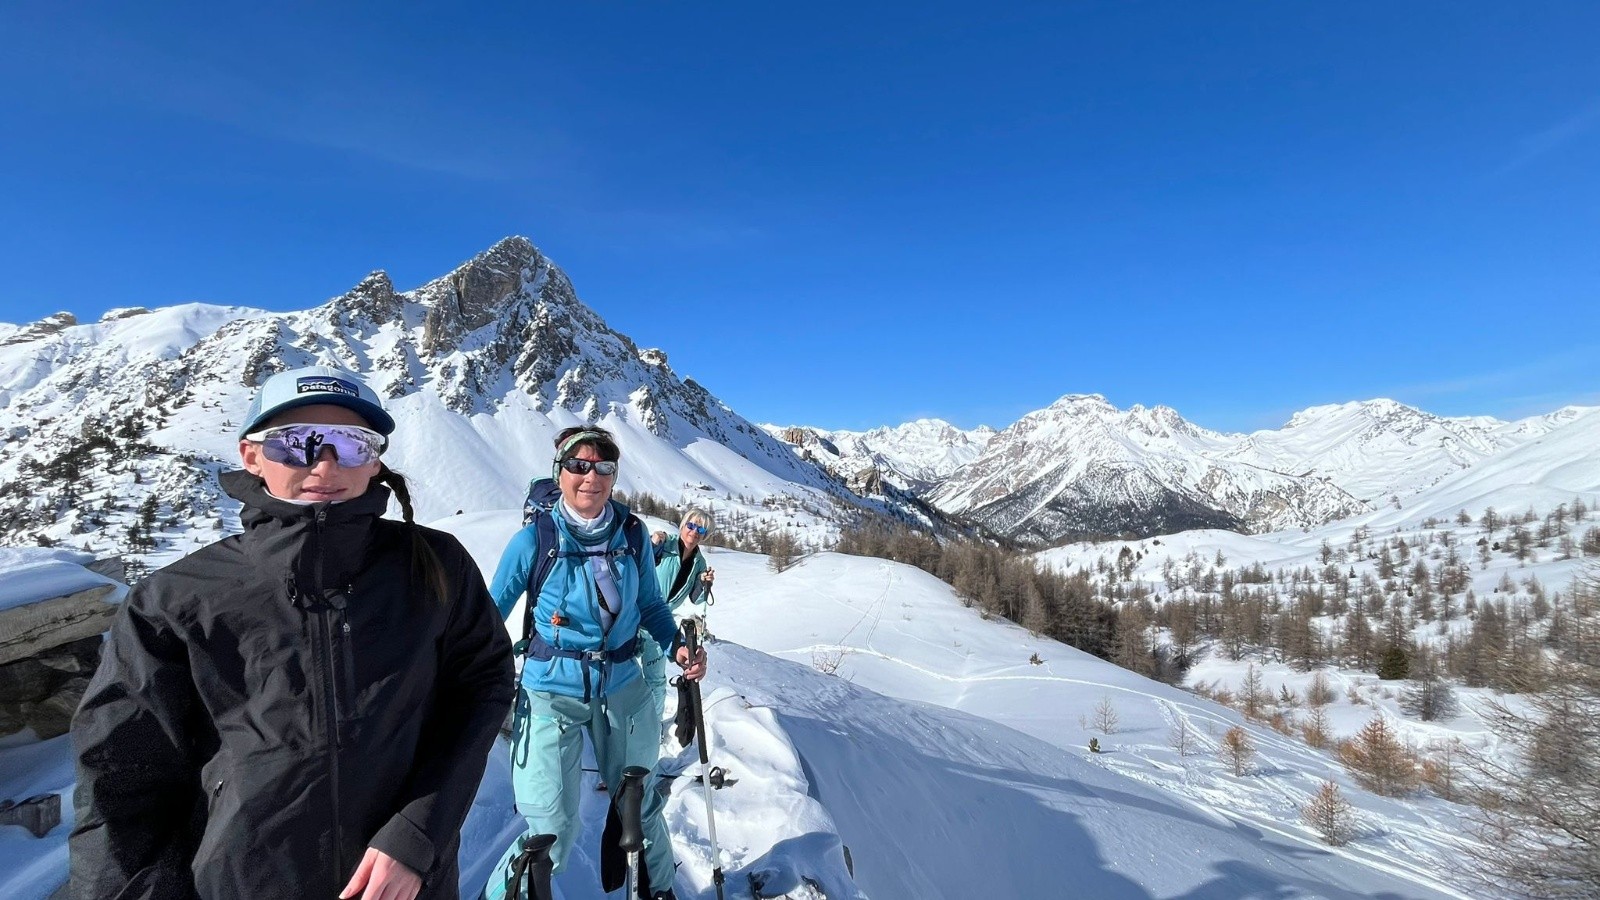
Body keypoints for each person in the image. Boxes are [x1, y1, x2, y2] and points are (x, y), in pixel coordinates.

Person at [70, 365, 514, 900]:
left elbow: (480, 689)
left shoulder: (432, 564)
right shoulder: (178, 597)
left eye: (351, 444)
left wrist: (418, 833)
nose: (325, 464)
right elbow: (121, 775)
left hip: (403, 883)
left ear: (374, 462)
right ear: (251, 455)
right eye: (297, 444)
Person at [483, 427, 706, 900]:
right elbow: (484, 619)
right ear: (559, 472)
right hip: (551, 691)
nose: (591, 477)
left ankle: (658, 891)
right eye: (579, 466)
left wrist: (677, 648)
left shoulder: (631, 533)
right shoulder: (533, 542)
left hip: (623, 681)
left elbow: (650, 604)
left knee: (638, 803)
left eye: (603, 467)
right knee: (549, 830)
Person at [641, 510, 716, 728]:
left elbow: (696, 598)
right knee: (622, 673)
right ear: (682, 525)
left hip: (661, 624)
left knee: (655, 680)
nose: (694, 532)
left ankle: (652, 727)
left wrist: (704, 583)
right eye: (691, 526)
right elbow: (641, 560)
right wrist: (654, 543)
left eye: (700, 529)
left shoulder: (699, 563)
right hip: (635, 617)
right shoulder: (665, 544)